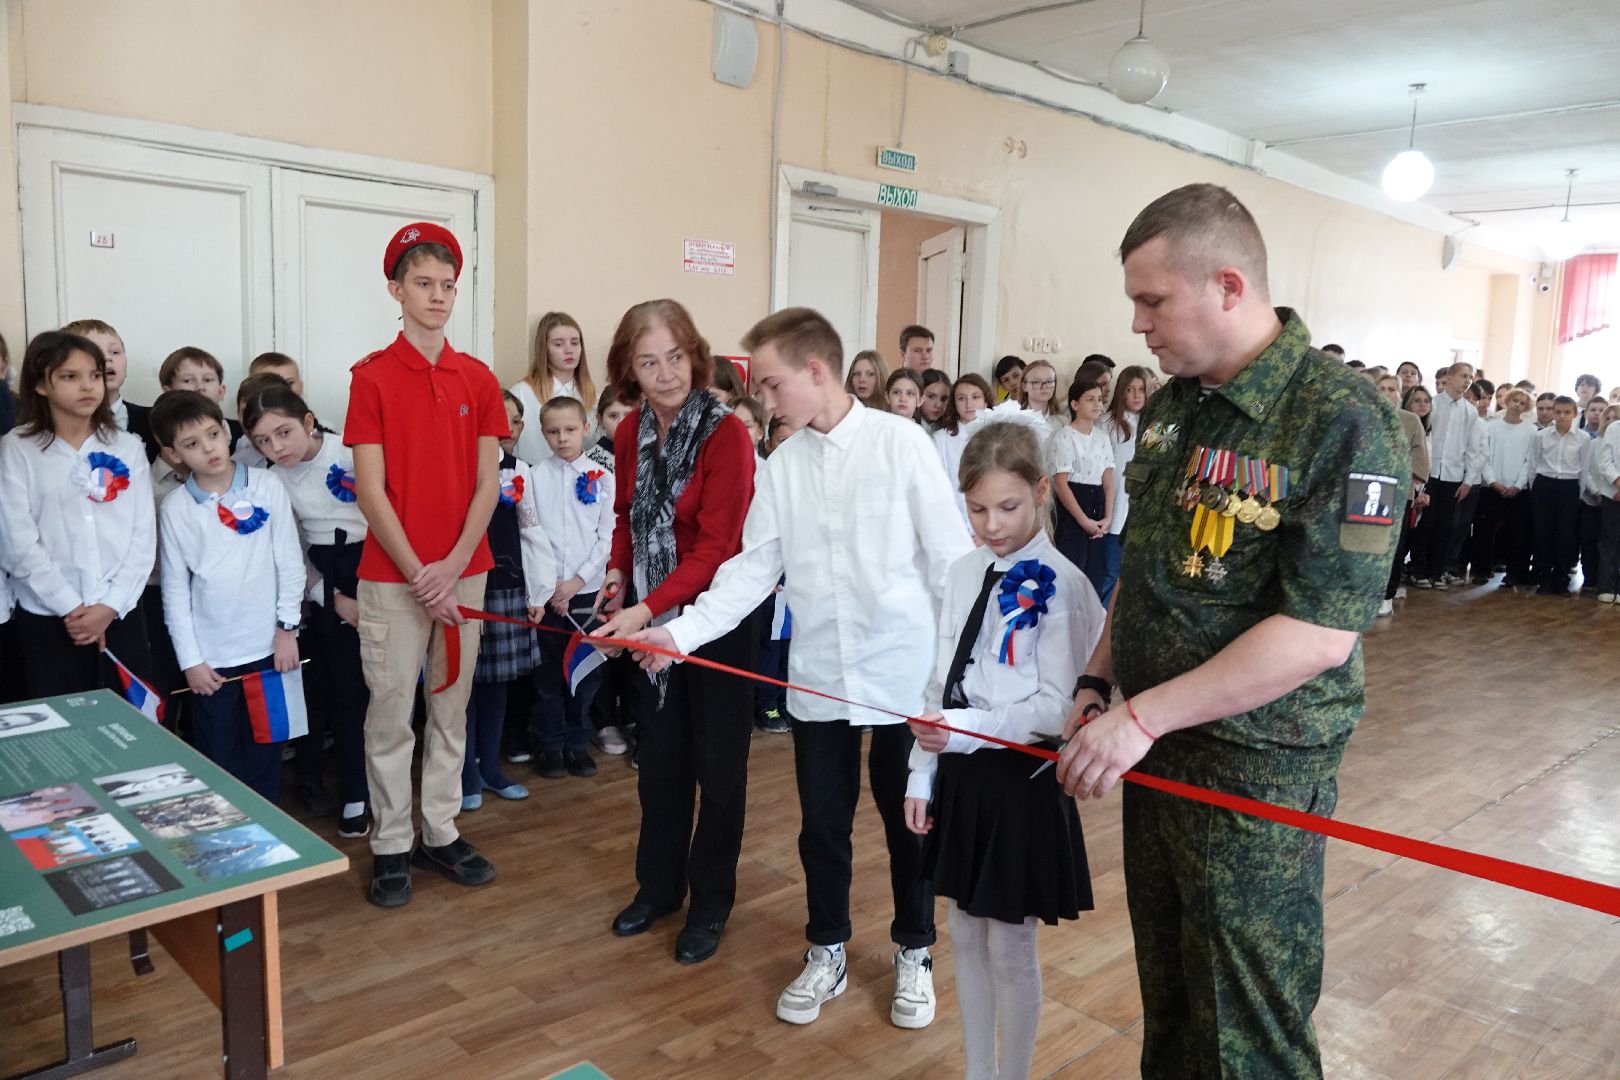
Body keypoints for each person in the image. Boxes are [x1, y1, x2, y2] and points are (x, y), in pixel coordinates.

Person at [1054, 184, 1405, 1080]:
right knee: (1170, 996)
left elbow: (1321, 633)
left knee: (1249, 1023)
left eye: (1152, 300)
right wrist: (1101, 683)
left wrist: (1138, 717)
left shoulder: (1343, 417)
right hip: (1158, 747)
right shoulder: (1178, 406)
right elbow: (1150, 565)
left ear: (1229, 284)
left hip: (1253, 765)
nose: (1138, 325)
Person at [619, 306, 972, 1028]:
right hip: (819, 678)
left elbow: (953, 569)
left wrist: (952, 683)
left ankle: (914, 950)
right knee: (821, 825)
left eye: (774, 385)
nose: (766, 402)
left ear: (817, 372)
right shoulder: (781, 466)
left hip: (905, 675)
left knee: (910, 821)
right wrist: (675, 636)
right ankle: (828, 948)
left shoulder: (902, 446)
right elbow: (749, 575)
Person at [905, 419, 1102, 1080]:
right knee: (962, 930)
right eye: (978, 508)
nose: (992, 524)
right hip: (961, 774)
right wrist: (921, 770)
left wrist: (959, 731)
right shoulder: (963, 573)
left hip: (1020, 780)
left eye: (1008, 507)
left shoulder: (1065, 586)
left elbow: (1057, 708)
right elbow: (941, 675)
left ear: (1042, 490)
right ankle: (976, 1071)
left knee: (1011, 943)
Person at [345, 222, 507, 908]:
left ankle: (440, 830)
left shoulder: (478, 377)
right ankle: (390, 843)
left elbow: (489, 482)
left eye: (447, 285)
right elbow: (370, 488)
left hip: (463, 572)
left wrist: (455, 565)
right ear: (396, 290)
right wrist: (422, 573)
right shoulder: (371, 377)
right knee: (390, 713)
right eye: (423, 284)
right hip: (393, 579)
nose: (438, 297)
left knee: (451, 707)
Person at [591, 299, 756, 966]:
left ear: (696, 353)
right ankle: (657, 890)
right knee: (658, 764)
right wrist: (614, 574)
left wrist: (644, 608)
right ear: (629, 369)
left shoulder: (727, 436)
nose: (665, 374)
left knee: (718, 771)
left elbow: (717, 547)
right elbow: (628, 516)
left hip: (715, 621)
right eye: (648, 361)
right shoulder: (630, 432)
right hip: (651, 615)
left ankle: (709, 903)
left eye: (676, 357)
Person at [153, 390, 303, 802]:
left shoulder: (267, 484)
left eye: (213, 434)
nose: (208, 448)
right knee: (218, 756)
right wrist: (191, 661)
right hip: (213, 662)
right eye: (191, 444)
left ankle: (271, 836)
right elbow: (175, 592)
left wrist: (286, 628)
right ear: (173, 454)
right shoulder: (176, 508)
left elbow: (290, 563)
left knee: (267, 754)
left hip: (271, 651)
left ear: (226, 431)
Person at [243, 380, 374, 837]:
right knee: (342, 690)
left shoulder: (351, 453)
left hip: (375, 561)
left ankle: (389, 783)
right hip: (322, 576)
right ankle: (355, 790)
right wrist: (333, 600)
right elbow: (293, 553)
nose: (276, 448)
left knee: (389, 684)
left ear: (309, 422)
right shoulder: (270, 479)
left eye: (284, 433)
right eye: (263, 440)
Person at [0, 331, 156, 699]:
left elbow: (142, 537)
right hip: (49, 616)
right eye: (70, 377)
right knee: (62, 732)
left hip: (119, 612)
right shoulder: (17, 449)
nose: (87, 386)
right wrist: (72, 606)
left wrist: (108, 606)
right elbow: (17, 540)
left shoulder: (128, 446)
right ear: (40, 385)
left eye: (94, 375)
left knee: (130, 730)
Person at [463, 391, 555, 807]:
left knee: (496, 683)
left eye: (514, 421)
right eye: (496, 419)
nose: (505, 429)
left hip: (505, 585)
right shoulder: (455, 463)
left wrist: (538, 591)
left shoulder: (519, 470)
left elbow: (531, 532)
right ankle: (463, 773)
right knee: (458, 685)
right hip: (462, 586)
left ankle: (490, 769)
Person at [529, 396, 614, 779]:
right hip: (547, 594)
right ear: (543, 433)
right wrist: (549, 589)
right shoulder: (533, 477)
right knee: (547, 674)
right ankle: (550, 745)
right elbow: (532, 537)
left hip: (585, 592)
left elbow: (607, 538)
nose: (562, 438)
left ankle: (578, 743)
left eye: (569, 429)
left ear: (585, 428)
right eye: (552, 431)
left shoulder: (604, 477)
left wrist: (576, 582)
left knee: (583, 671)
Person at [584, 386, 637, 759]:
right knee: (605, 643)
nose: (621, 422)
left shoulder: (647, 454)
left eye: (628, 413)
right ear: (599, 419)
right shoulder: (589, 462)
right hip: (602, 566)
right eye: (613, 415)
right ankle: (603, 719)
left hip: (643, 563)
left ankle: (633, 715)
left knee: (635, 641)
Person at [1407, 362, 1482, 589]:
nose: (1467, 380)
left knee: (1446, 527)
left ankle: (1437, 572)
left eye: (1470, 376)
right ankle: (1418, 570)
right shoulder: (1433, 404)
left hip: (1453, 475)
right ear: (1448, 377)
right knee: (1424, 525)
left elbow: (1473, 448)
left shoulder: (1470, 411)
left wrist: (1468, 480)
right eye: (1462, 375)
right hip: (1428, 474)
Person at [1050, 376, 1114, 597]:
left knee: (1094, 575)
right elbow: (1061, 483)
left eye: (1099, 399)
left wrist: (1107, 518)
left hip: (1097, 503)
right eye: (1090, 399)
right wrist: (1084, 521)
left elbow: (1108, 481)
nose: (1097, 404)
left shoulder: (1103, 438)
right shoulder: (1065, 436)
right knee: (1070, 571)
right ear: (1075, 404)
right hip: (1074, 506)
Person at [510, 312, 596, 464]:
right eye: (558, 344)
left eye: (575, 343)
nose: (569, 350)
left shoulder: (592, 396)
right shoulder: (521, 394)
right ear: (544, 349)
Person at [1377, 375, 1430, 615]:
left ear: (1400, 394)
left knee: (1395, 546)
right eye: (1382, 388)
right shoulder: (1362, 414)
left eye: (1392, 389)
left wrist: (1414, 482)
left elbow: (1420, 455)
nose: (1387, 393)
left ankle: (1387, 594)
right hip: (1365, 491)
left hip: (1399, 492)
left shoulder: (1410, 421)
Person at [1472, 388, 1534, 589]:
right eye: (1515, 400)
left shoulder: (1532, 431)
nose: (1517, 405)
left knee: (1518, 533)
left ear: (1527, 407)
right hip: (1492, 487)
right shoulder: (1492, 427)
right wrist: (1492, 481)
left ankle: (1515, 574)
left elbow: (1529, 461)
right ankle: (1481, 570)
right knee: (1485, 531)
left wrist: (1518, 485)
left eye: (1522, 402)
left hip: (1518, 490)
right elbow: (1484, 456)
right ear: (1507, 401)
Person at [1099, 366, 1149, 605]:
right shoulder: (1108, 423)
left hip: (1142, 510)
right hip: (1117, 509)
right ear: (1121, 393)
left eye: (1141, 389)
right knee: (1110, 573)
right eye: (1130, 390)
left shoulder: (1156, 424)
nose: (1137, 395)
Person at [1530, 397, 1587, 596]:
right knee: (1543, 533)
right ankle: (1543, 577)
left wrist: (1578, 494)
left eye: (1566, 412)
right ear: (1553, 413)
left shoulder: (1583, 438)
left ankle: (1561, 579)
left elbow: (1585, 469)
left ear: (1575, 414)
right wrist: (1534, 489)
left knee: (1565, 535)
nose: (1562, 416)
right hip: (1545, 484)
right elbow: (1534, 463)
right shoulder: (1541, 436)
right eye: (1558, 412)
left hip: (1569, 486)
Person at [933, 374, 992, 532]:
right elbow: (938, 486)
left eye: (975, 397)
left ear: (985, 401)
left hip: (991, 525)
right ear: (954, 403)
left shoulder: (999, 435)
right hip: (955, 525)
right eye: (961, 398)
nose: (969, 404)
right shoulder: (942, 439)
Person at [159, 347, 245, 449]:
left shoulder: (243, 433)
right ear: (168, 393)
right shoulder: (159, 436)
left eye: (207, 380)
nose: (200, 387)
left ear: (221, 391)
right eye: (188, 380)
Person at [1591, 403, 1620, 603]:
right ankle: (1606, 586)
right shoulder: (1614, 429)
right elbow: (1604, 461)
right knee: (1609, 541)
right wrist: (1618, 482)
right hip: (1613, 493)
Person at [1017, 359, 1065, 432]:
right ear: (1024, 386)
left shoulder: (1064, 422)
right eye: (1037, 382)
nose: (1044, 386)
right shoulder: (1014, 420)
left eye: (1049, 381)